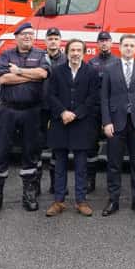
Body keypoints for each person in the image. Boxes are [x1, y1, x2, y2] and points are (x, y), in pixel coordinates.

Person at [0, 22, 50, 213]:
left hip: (32, 111)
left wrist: (20, 71)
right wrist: (31, 76)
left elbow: (43, 73)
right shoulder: (6, 55)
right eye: (24, 34)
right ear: (16, 37)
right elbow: (4, 79)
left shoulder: (41, 54)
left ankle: (29, 195)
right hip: (9, 111)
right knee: (1, 152)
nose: (27, 37)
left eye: (30, 34)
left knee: (31, 153)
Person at [45, 38, 101, 216]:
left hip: (81, 123)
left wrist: (75, 114)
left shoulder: (91, 72)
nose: (75, 53)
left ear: (84, 53)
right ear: (67, 52)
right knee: (59, 164)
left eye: (79, 50)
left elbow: (93, 98)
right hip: (60, 122)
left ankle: (81, 201)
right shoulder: (57, 71)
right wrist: (63, 112)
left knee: (81, 166)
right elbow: (50, 95)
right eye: (72, 50)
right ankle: (58, 201)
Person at [100, 34, 135, 216]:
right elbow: (104, 97)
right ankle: (113, 201)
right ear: (119, 48)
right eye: (125, 45)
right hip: (115, 123)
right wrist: (106, 122)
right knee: (114, 164)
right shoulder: (109, 69)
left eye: (132, 45)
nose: (129, 48)